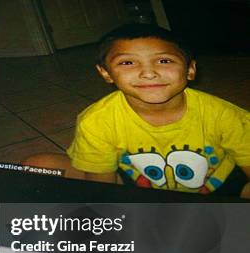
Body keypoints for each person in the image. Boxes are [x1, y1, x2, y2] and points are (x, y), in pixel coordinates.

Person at [25, 24, 250, 198]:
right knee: (39, 166)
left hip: (220, 188)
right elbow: (102, 187)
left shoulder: (226, 115)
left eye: (164, 60)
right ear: (106, 73)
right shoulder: (96, 121)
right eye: (127, 63)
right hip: (138, 185)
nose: (148, 73)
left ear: (190, 69)